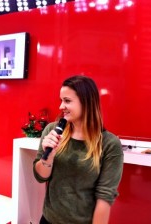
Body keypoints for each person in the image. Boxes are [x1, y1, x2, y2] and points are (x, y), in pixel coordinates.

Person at [33, 75, 123, 224]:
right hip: (48, 219)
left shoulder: (109, 144)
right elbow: (40, 176)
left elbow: (105, 197)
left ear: (86, 103)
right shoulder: (53, 130)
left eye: (67, 101)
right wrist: (47, 157)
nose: (61, 107)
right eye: (61, 100)